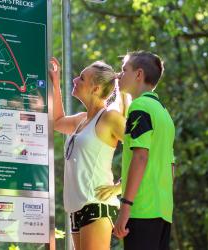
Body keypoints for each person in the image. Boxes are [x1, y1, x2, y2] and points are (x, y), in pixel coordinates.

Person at [48, 57, 126, 250]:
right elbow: (57, 121)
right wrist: (56, 83)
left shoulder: (109, 118)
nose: (75, 80)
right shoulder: (81, 120)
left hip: (97, 204)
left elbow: (144, 151)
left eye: (81, 78)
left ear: (96, 88)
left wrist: (119, 187)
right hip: (77, 208)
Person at [113, 51, 176, 250]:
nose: (118, 75)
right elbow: (172, 167)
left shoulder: (139, 107)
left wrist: (125, 208)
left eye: (124, 70)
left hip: (141, 210)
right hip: (163, 212)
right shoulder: (164, 113)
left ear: (138, 75)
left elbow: (140, 157)